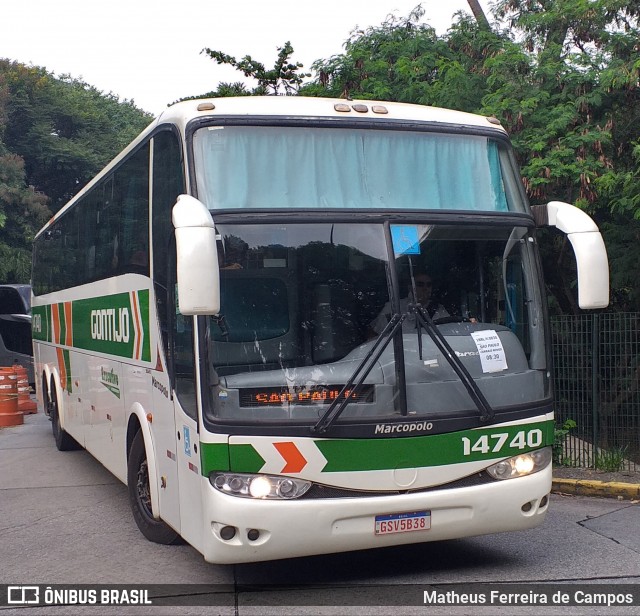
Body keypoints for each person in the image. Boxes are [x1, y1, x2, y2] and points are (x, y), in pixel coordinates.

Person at [369, 273, 449, 335]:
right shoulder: (393, 307)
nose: (425, 288)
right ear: (410, 287)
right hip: (398, 355)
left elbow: (449, 335)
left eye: (429, 285)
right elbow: (373, 335)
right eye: (420, 284)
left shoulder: (439, 310)